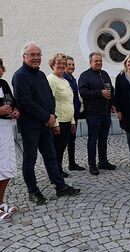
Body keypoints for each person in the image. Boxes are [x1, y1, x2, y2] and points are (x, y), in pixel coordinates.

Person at [12, 42, 80, 205]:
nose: (36, 58)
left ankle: (60, 186)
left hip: (45, 124)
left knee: (51, 156)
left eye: (38, 55)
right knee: (30, 159)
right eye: (32, 55)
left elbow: (50, 98)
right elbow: (25, 102)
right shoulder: (19, 76)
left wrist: (51, 116)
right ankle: (33, 191)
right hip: (30, 126)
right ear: (24, 57)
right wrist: (46, 117)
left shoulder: (41, 75)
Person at [78, 52, 116, 175]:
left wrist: (112, 104)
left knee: (103, 139)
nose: (99, 63)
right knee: (93, 139)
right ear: (90, 62)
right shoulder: (85, 76)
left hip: (105, 113)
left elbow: (111, 90)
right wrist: (100, 93)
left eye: (100, 61)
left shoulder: (104, 74)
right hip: (93, 113)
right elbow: (83, 92)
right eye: (96, 61)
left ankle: (103, 161)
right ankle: (92, 164)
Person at [47, 53, 77, 177]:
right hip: (59, 120)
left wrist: (73, 121)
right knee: (56, 149)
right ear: (53, 64)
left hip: (67, 120)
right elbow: (50, 102)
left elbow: (70, 101)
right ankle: (55, 172)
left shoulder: (64, 80)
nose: (61, 66)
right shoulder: (51, 80)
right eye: (58, 63)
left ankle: (58, 169)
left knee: (61, 148)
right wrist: (55, 123)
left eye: (63, 64)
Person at [0, 58, 20, 223]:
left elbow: (13, 103)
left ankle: (0, 203)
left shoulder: (4, 84)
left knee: (6, 167)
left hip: (5, 130)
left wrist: (16, 111)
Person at [63, 56, 85, 171]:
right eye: (69, 64)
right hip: (66, 114)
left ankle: (72, 163)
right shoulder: (64, 79)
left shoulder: (72, 78)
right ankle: (58, 168)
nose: (71, 66)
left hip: (74, 113)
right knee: (63, 142)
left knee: (72, 139)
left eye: (73, 64)